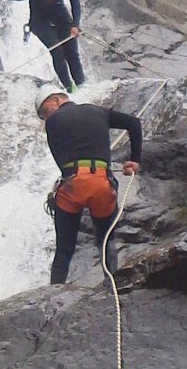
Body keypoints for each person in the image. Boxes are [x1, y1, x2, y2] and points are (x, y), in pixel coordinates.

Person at [37, 80, 142, 286]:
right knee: (105, 242)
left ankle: (52, 294)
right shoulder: (97, 112)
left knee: (64, 249)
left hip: (72, 184)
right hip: (102, 183)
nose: (45, 117)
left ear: (56, 99)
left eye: (44, 111)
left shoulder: (53, 122)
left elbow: (60, 160)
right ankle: (112, 286)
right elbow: (134, 123)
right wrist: (135, 159)